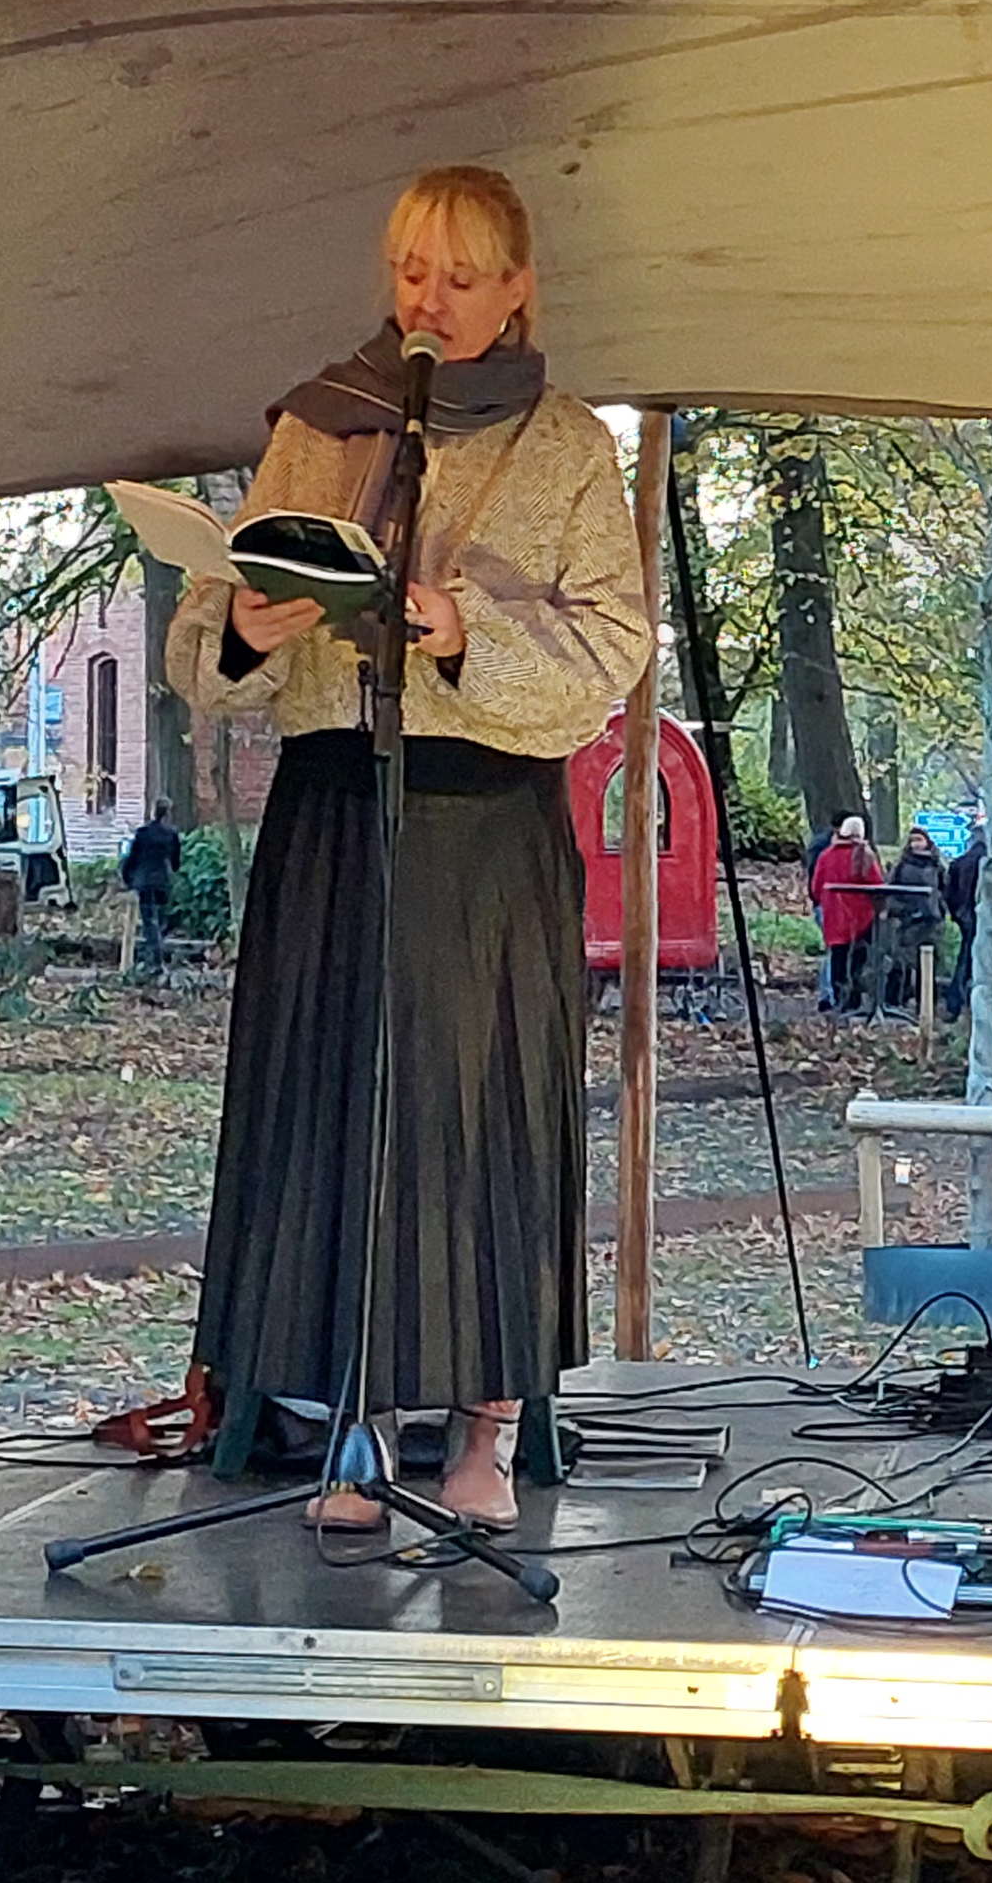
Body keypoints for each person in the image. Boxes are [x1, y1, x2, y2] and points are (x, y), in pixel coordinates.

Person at [168, 164, 650, 1531]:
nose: (427, 301)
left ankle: (483, 1444)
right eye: (408, 274)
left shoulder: (568, 447)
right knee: (339, 1108)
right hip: (332, 806)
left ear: (516, 290)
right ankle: (351, 1431)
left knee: (476, 1113)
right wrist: (249, 631)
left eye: (456, 277)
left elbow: (613, 647)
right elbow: (207, 637)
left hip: (483, 820)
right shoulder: (318, 427)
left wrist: (459, 629)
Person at [810, 816, 882, 1018]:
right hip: (862, 917)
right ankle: (855, 1001)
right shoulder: (865, 855)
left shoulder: (826, 856)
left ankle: (840, 1001)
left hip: (834, 916)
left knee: (838, 959)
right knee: (859, 959)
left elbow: (816, 887)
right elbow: (876, 884)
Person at [878, 824, 949, 1020]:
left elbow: (945, 888)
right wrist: (899, 910)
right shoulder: (901, 865)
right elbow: (891, 891)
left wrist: (940, 908)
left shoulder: (936, 865)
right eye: (912, 840)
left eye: (919, 840)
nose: (916, 844)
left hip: (931, 922)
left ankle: (926, 1006)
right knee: (901, 964)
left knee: (929, 966)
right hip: (907, 921)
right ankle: (894, 1003)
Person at [120, 799, 184, 975]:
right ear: (168, 813)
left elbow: (131, 858)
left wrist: (127, 878)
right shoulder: (171, 835)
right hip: (162, 882)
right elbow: (176, 863)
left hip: (144, 882)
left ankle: (154, 959)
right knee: (159, 920)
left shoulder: (143, 833)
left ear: (154, 811)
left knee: (149, 921)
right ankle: (154, 956)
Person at [940, 825, 984, 1016]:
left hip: (966, 916)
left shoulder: (959, 863)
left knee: (965, 959)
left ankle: (955, 1003)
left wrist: (957, 914)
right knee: (985, 962)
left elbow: (949, 894)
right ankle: (975, 1003)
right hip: (987, 917)